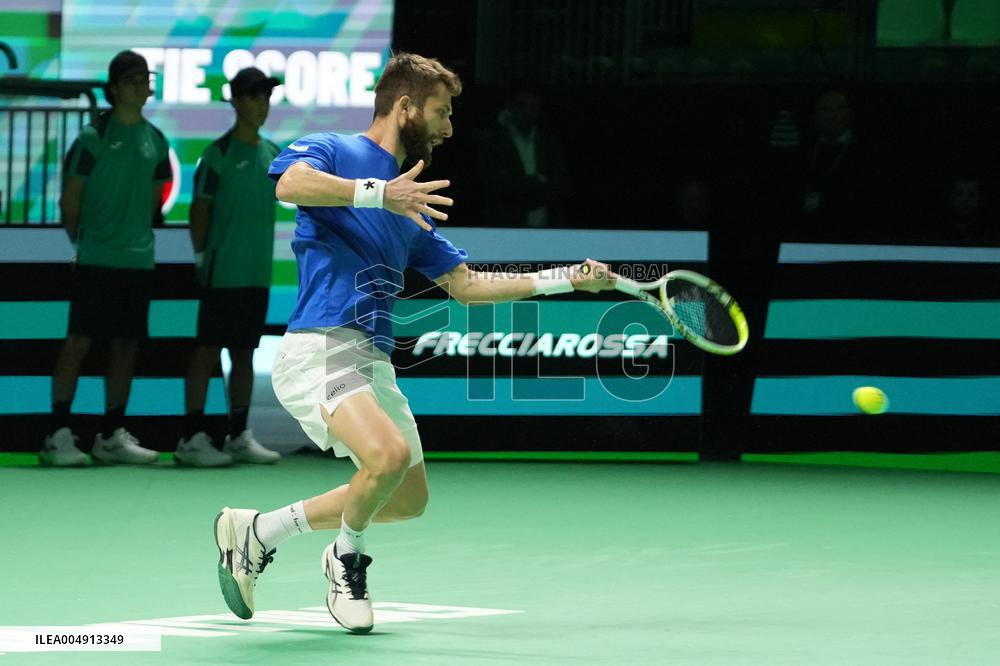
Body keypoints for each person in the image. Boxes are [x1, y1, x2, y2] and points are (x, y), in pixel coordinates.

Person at [212, 52, 615, 634]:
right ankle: (344, 559)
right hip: (320, 344)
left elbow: (467, 286)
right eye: (440, 112)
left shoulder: (412, 206)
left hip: (372, 360)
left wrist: (564, 279)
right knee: (388, 458)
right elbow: (289, 184)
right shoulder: (335, 152)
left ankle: (257, 531)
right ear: (405, 107)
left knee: (404, 496)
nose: (450, 127)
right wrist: (380, 195)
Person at [40, 50, 169, 467]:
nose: (140, 86)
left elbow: (153, 205)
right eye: (131, 79)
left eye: (144, 78)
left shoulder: (156, 140)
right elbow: (70, 202)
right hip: (95, 259)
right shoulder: (91, 138)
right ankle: (56, 434)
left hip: (138, 263)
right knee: (78, 342)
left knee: (126, 347)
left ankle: (110, 434)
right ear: (113, 89)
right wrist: (84, 245)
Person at [174, 68, 284, 467]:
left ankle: (238, 434)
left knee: (243, 353)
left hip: (257, 273)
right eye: (254, 97)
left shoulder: (274, 155)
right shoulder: (217, 155)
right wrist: (202, 256)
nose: (262, 105)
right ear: (235, 101)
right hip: (223, 271)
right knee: (206, 351)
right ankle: (191, 438)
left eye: (266, 97)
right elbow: (199, 211)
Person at [478, 88, 571, 227]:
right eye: (522, 106)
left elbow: (560, 184)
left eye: (533, 106)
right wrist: (534, 183)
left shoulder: (548, 143)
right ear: (511, 108)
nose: (528, 112)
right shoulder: (494, 143)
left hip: (547, 228)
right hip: (508, 227)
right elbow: (495, 186)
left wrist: (525, 187)